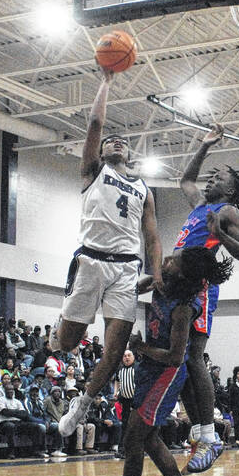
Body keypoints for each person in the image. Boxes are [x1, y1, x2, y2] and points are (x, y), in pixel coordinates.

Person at [88, 246, 233, 476]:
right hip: (149, 369)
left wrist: (141, 348)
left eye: (173, 260)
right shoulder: (162, 281)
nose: (167, 259)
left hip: (166, 375)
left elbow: (176, 357)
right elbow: (136, 286)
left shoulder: (183, 307)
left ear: (182, 273)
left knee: (133, 439)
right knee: (147, 439)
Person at [54, 68, 163, 440]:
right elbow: (96, 122)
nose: (116, 142)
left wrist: (157, 271)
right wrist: (106, 81)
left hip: (125, 269)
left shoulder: (143, 189)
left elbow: (151, 236)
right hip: (89, 260)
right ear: (100, 151)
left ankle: (82, 401)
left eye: (122, 141)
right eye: (110, 141)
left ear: (130, 153)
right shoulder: (92, 172)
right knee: (68, 343)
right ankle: (64, 323)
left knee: (115, 352)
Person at [173, 124, 239, 473]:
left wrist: (220, 234)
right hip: (177, 283)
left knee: (193, 357)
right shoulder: (199, 204)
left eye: (218, 178)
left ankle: (210, 434)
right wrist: (204, 146)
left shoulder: (226, 213)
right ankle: (200, 433)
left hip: (201, 284)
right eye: (212, 176)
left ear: (232, 188)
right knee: (177, 362)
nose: (210, 181)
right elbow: (185, 181)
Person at [0, 383, 48, 459]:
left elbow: (24, 414)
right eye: (8, 390)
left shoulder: (17, 401)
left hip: (17, 423)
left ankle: (36, 451)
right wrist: (17, 412)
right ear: (5, 391)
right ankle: (11, 452)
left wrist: (12, 412)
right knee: (10, 426)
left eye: (12, 389)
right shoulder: (0, 400)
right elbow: (4, 412)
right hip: (4, 424)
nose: (10, 391)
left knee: (36, 426)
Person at [113, 349, 137, 458]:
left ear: (133, 357)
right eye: (124, 356)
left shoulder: (138, 368)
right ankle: (122, 450)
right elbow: (116, 381)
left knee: (135, 426)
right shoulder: (120, 369)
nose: (126, 358)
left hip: (137, 402)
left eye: (129, 355)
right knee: (125, 425)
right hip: (125, 401)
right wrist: (115, 392)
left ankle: (135, 449)